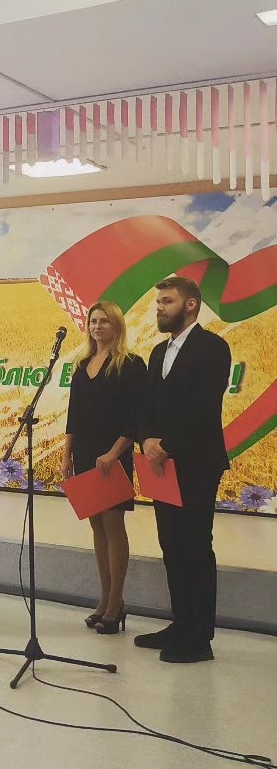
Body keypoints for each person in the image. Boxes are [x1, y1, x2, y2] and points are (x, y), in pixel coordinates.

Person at [135, 275, 231, 664]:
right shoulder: (159, 352)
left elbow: (204, 409)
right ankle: (181, 624)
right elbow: (145, 404)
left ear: (191, 305)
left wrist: (167, 445)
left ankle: (199, 638)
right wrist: (146, 439)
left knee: (195, 547)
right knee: (171, 545)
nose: (159, 308)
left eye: (167, 301)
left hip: (196, 464)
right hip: (161, 465)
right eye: (158, 302)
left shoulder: (213, 348)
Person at [60, 302, 146, 634]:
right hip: (85, 453)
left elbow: (135, 417)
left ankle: (116, 602)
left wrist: (113, 453)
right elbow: (74, 415)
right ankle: (105, 598)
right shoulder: (82, 365)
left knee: (113, 525)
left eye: (104, 321)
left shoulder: (130, 364)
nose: (97, 326)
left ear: (117, 326)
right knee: (96, 526)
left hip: (113, 455)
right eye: (93, 321)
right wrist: (67, 455)